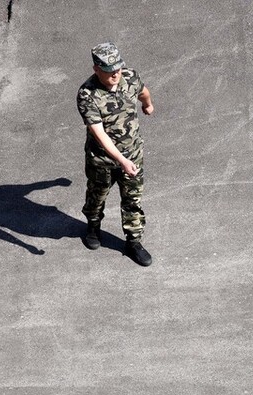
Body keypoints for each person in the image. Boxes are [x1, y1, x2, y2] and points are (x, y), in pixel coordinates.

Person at [77, 42, 154, 266]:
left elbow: (143, 91)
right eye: (109, 70)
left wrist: (148, 104)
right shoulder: (87, 95)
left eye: (118, 68)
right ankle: (93, 226)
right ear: (96, 69)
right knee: (97, 194)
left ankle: (134, 242)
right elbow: (98, 133)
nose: (115, 74)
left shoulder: (129, 77)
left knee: (133, 199)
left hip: (133, 153)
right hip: (102, 160)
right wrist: (121, 161)